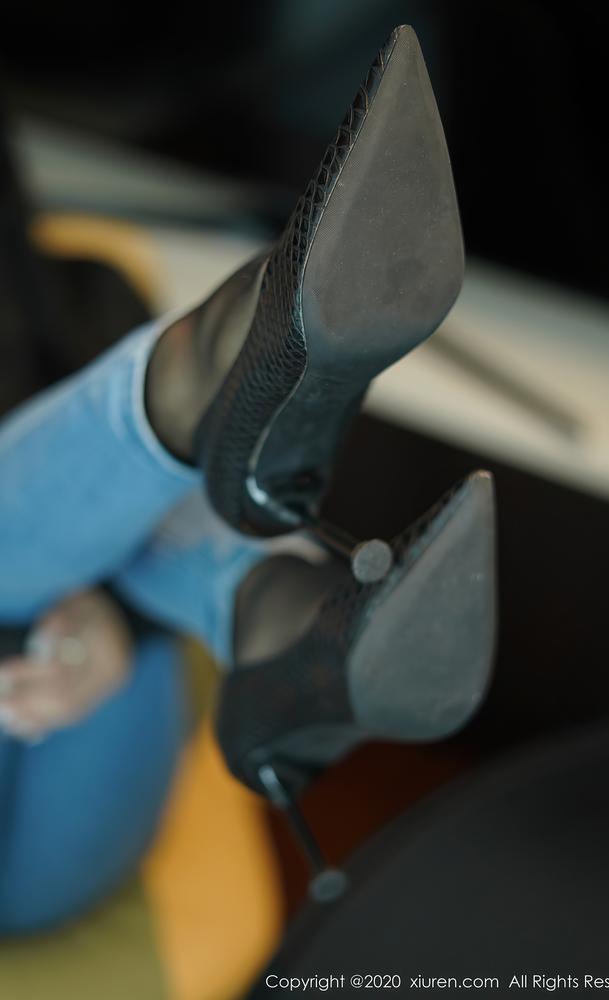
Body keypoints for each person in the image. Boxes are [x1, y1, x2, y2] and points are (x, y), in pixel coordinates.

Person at [0, 25, 495, 933]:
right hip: (30, 872)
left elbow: (65, 319)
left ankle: (272, 596)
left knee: (79, 510)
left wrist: (114, 627)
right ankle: (265, 583)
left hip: (70, 710)